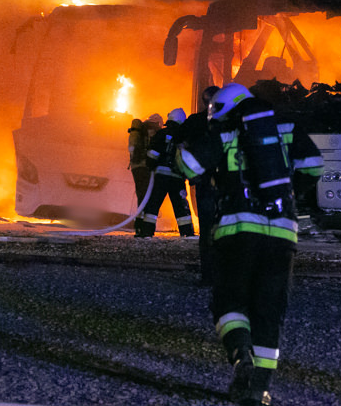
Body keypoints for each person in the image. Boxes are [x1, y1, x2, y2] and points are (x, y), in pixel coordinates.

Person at [175, 83, 322, 406]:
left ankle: (242, 356)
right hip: (282, 234)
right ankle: (258, 389)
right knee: (268, 312)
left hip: (237, 233)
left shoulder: (226, 133)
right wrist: (289, 193)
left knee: (230, 302)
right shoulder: (285, 128)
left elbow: (189, 165)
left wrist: (179, 140)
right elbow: (314, 165)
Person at [135, 108, 195, 238]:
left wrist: (151, 165)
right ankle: (187, 233)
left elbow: (152, 154)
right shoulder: (185, 135)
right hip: (178, 177)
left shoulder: (162, 133)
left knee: (153, 204)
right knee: (181, 205)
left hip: (161, 176)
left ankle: (147, 232)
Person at [183, 86, 221, 285]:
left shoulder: (194, 122)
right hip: (227, 187)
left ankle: (209, 276)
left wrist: (192, 176)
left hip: (205, 185)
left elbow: (182, 148)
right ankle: (225, 276)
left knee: (207, 232)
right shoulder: (230, 122)